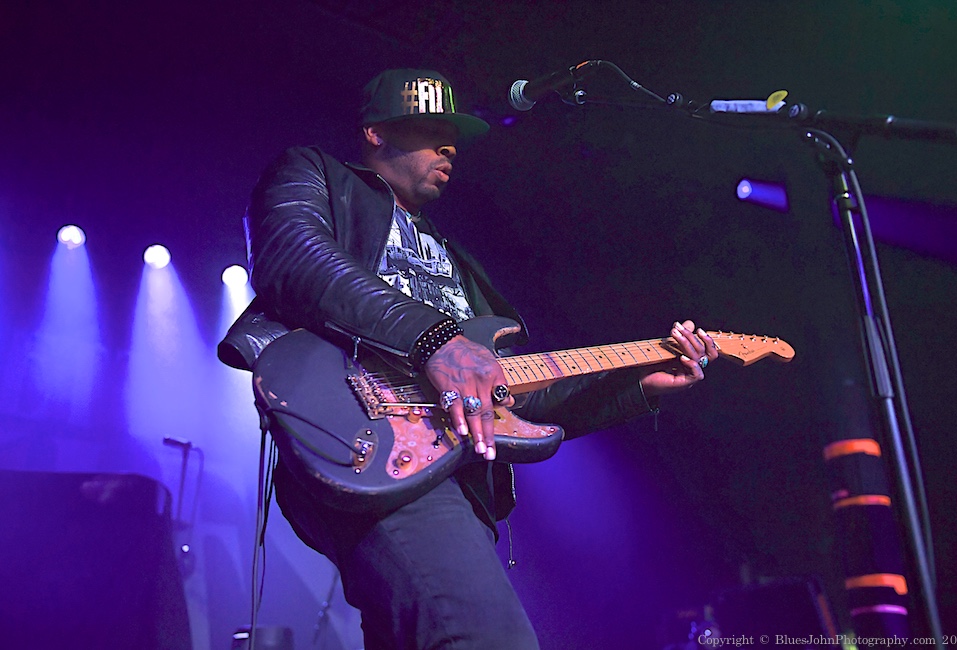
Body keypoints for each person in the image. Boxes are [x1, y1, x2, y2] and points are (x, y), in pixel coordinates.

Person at [219, 68, 719, 649]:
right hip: (362, 438)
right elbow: (295, 260)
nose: (450, 145)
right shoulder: (315, 174)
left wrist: (639, 387)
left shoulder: (461, 262)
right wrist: (435, 340)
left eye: (454, 134)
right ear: (376, 131)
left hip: (451, 473)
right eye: (433, 128)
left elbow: (509, 390)